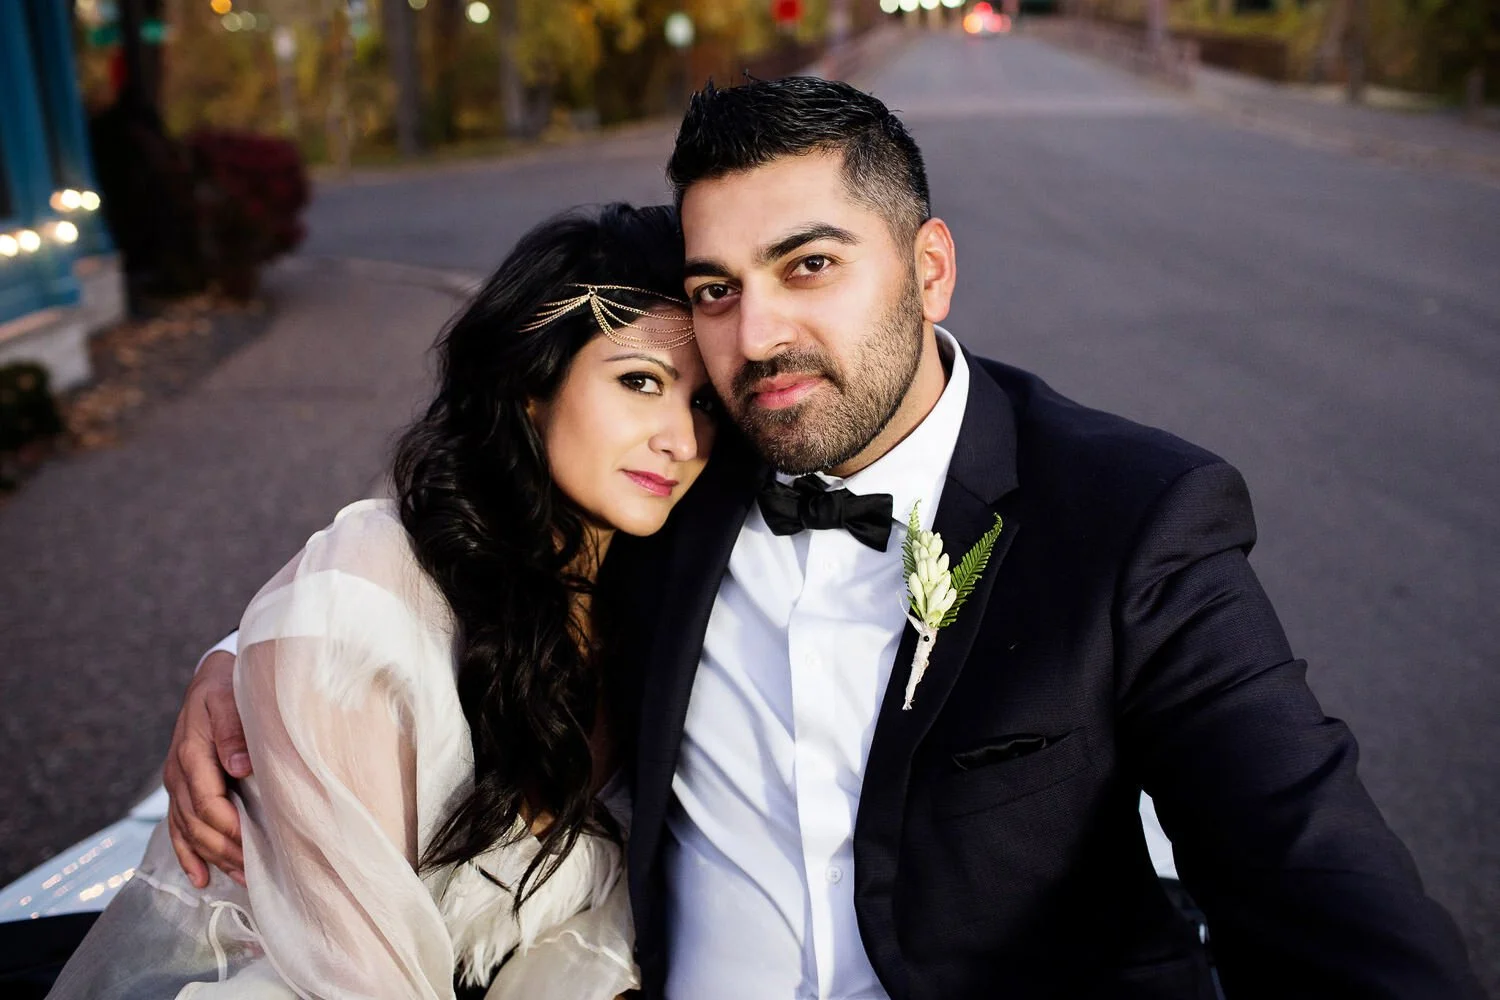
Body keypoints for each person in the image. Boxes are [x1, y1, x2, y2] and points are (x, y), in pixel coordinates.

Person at [165, 79, 1482, 999]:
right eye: (713, 292)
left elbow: (1309, 870)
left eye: (811, 266)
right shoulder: (683, 470)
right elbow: (475, 534)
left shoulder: (1134, 517)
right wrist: (251, 652)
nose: (755, 341)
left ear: (929, 269)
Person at [47, 203, 720, 998]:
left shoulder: (662, 587)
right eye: (640, 382)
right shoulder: (359, 608)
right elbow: (360, 977)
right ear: (532, 385)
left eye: (706, 405)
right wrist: (250, 656)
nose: (681, 439)